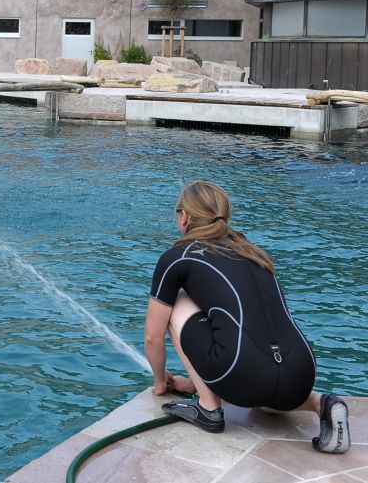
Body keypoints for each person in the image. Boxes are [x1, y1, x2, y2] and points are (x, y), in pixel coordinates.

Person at [145, 181, 350, 453]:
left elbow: (153, 335)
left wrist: (161, 382)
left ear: (185, 217)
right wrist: (190, 383)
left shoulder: (178, 256)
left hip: (244, 375)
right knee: (265, 403)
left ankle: (208, 408)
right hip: (299, 376)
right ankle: (322, 404)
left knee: (178, 303)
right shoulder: (251, 251)